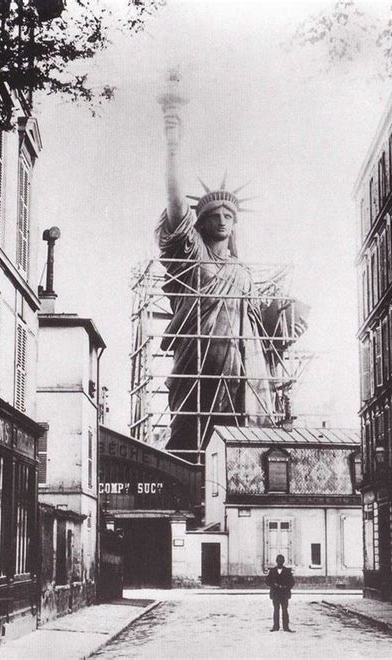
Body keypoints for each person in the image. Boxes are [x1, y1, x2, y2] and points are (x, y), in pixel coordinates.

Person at [156, 75, 275, 460]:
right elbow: (176, 207)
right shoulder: (194, 256)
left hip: (240, 368)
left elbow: (258, 329)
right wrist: (173, 133)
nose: (222, 220)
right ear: (200, 222)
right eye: (214, 215)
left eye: (229, 215)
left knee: (237, 446)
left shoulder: (242, 271)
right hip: (199, 359)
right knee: (191, 438)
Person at [266, 554, 295, 632]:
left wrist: (286, 587)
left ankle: (286, 627)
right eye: (279, 561)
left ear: (283, 562)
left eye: (281, 561)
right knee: (276, 610)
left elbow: (292, 582)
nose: (280, 562)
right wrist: (274, 585)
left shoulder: (287, 571)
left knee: (285, 610)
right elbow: (267, 581)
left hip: (284, 594)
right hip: (275, 594)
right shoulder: (272, 571)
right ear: (276, 561)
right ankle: (276, 627)